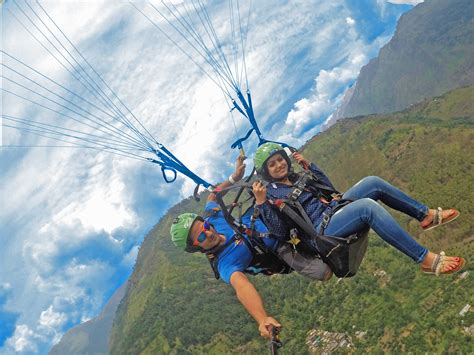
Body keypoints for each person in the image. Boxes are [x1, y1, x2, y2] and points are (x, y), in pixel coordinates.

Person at [170, 155, 331, 339]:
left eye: (205, 227)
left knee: (277, 187)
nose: (208, 232)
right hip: (278, 247)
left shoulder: (211, 216)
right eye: (201, 236)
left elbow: (214, 195)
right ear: (196, 247)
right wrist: (262, 319)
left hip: (264, 212)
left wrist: (235, 176)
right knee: (323, 272)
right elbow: (242, 286)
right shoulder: (225, 264)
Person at [252, 142, 465, 277]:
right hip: (321, 231)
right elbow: (280, 232)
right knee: (367, 208)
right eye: (272, 164)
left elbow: (329, 189)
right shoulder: (270, 196)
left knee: (372, 182)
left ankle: (425, 215)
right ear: (266, 172)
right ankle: (425, 259)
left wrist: (309, 166)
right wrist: (261, 203)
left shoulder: (296, 177)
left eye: (281, 159)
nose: (279, 165)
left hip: (334, 209)